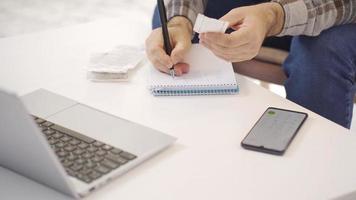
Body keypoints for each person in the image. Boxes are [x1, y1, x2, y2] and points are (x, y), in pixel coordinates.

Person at [145, 0, 356, 129]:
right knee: (170, 27)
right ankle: (199, 146)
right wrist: (179, 22)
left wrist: (273, 16)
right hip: (260, 11)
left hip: (335, 12)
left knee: (323, 51)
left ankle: (313, 171)